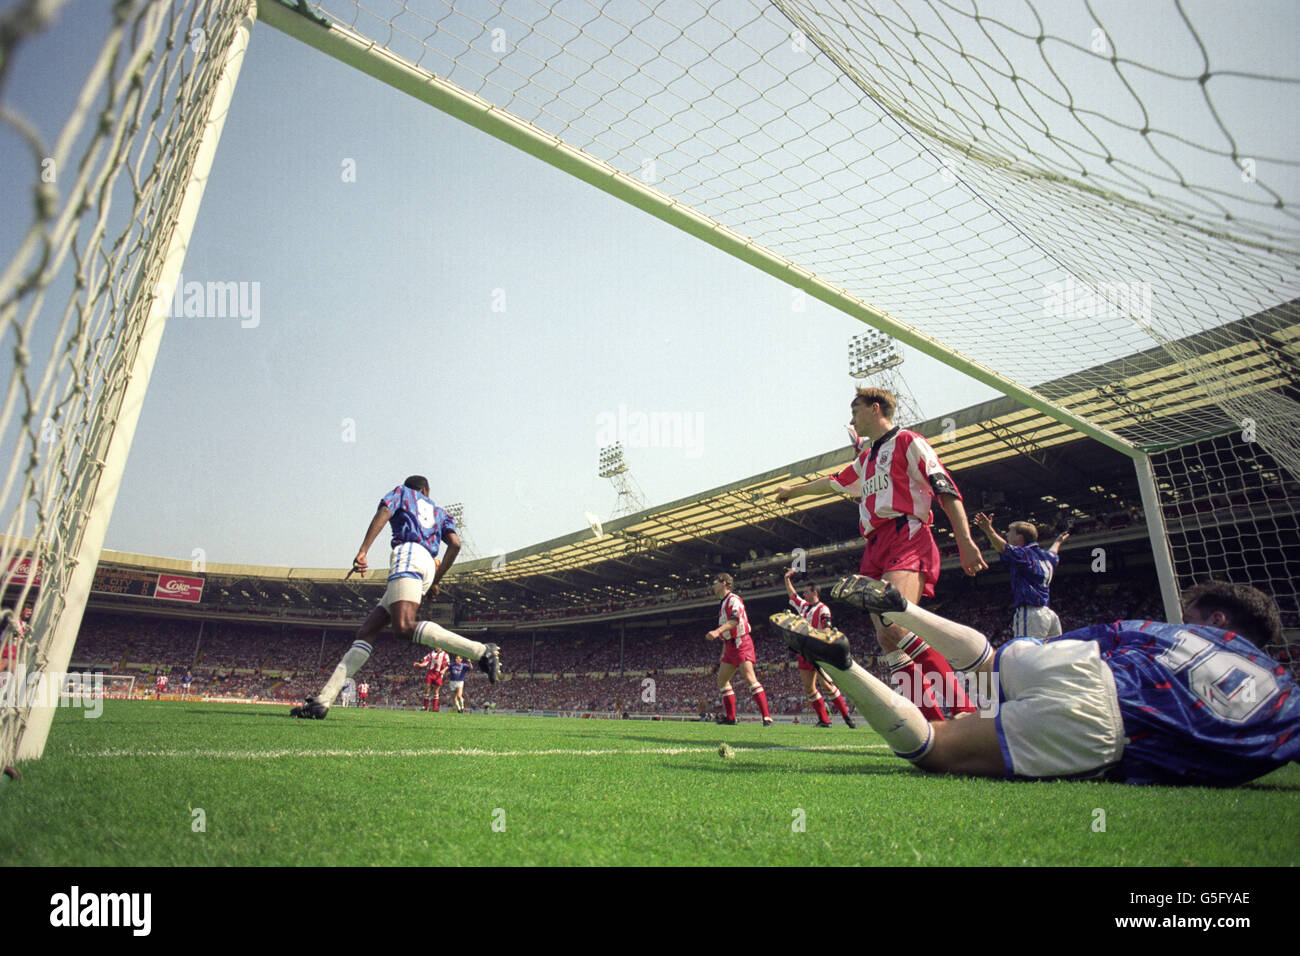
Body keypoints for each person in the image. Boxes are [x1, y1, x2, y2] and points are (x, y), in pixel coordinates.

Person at [774, 576, 1300, 786]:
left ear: (1221, 621)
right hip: (1105, 724)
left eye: (1192, 612)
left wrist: (1033, 664)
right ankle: (844, 664)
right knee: (936, 748)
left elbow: (1103, 636)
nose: (1182, 617)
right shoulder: (1286, 694)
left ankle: (905, 608)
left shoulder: (1168, 633)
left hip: (1083, 664)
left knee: (987, 668)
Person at [775, 388, 986, 720]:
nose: (851, 418)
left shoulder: (908, 441)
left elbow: (944, 488)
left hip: (906, 535)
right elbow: (832, 482)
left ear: (875, 409)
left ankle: (965, 711)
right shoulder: (866, 459)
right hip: (874, 547)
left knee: (899, 627)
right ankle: (931, 721)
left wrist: (965, 541)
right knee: (887, 639)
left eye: (855, 410)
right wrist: (793, 491)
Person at [291, 476, 500, 719]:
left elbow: (384, 511)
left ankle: (481, 651)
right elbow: (454, 544)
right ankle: (323, 701)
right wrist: (435, 580)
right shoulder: (440, 512)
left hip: (408, 553)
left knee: (403, 626)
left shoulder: (403, 492)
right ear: (426, 490)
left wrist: (363, 550)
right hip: (429, 562)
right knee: (367, 632)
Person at [973, 513, 1068, 638]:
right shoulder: (1046, 557)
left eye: (1010, 532)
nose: (1006, 535)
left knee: (1027, 654)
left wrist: (987, 529)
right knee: (1052, 654)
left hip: (1031, 615)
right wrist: (1058, 542)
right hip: (1049, 615)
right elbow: (1053, 552)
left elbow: (1003, 547)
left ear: (1020, 538)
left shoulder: (1023, 555)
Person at [783, 569, 855, 728]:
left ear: (815, 592)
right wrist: (787, 579)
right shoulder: (803, 606)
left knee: (826, 685)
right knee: (809, 688)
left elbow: (827, 629)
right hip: (804, 652)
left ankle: (846, 716)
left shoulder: (823, 609)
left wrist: (820, 644)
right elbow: (792, 595)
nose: (803, 594)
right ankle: (824, 719)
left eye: (806, 591)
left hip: (818, 651)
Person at [706, 573, 772, 726]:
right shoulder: (723, 603)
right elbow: (729, 629)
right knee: (722, 680)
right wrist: (723, 651)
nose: (713, 586)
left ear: (723, 583)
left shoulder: (733, 600)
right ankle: (731, 717)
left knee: (750, 678)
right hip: (729, 645)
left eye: (715, 582)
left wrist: (717, 632)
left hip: (741, 642)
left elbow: (735, 620)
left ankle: (767, 717)